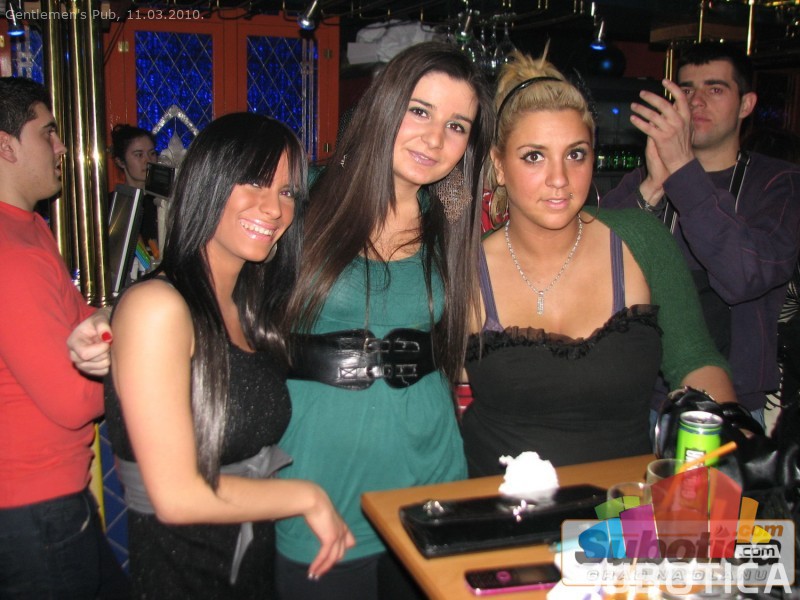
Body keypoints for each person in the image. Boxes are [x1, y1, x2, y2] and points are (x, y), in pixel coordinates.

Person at [103, 112, 353, 598]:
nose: (274, 208)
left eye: (287, 192)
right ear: (208, 181)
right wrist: (307, 497)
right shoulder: (158, 307)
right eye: (254, 182)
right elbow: (177, 496)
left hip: (250, 566)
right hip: (183, 576)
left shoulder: (247, 308)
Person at [276, 41, 494, 599]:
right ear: (384, 105)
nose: (434, 139)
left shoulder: (453, 223)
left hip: (430, 476)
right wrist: (121, 315)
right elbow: (207, 278)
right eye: (419, 111)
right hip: (318, 484)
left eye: (457, 126)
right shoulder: (302, 199)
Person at [461, 51, 737, 476]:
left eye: (576, 154)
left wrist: (732, 435)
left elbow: (695, 359)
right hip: (499, 503)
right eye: (534, 156)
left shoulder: (640, 241)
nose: (559, 179)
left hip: (624, 506)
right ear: (499, 165)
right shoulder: (463, 267)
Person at [603, 42, 800, 425]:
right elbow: (587, 257)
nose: (696, 101)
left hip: (725, 402)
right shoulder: (645, 178)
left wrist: (682, 169)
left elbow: (744, 276)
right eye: (686, 90)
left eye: (715, 89)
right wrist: (652, 189)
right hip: (632, 394)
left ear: (746, 105)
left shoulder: (777, 183)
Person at [0, 77, 129, 598]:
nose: (60, 147)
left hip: (51, 497)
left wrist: (126, 314)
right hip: (32, 506)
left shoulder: (30, 227)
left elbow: (85, 321)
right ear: (5, 146)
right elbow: (75, 400)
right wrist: (141, 357)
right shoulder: (11, 254)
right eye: (47, 132)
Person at [110, 124, 159, 246]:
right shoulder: (111, 204)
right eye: (139, 155)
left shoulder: (162, 201)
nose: (148, 160)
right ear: (120, 162)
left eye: (152, 153)